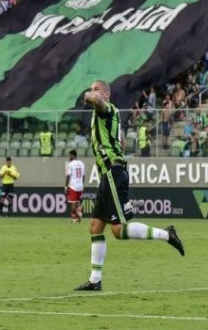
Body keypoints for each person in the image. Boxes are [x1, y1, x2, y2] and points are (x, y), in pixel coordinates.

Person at [75, 80, 184, 292]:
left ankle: (167, 234)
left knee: (118, 230)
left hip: (113, 174)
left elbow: (94, 100)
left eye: (96, 88)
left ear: (107, 94)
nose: (92, 91)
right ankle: (95, 280)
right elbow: (122, 142)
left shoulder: (105, 109)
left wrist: (89, 95)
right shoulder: (110, 116)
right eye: (91, 88)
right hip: (109, 175)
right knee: (96, 227)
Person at [65, 149, 85, 223]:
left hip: (73, 186)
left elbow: (68, 176)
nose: (69, 157)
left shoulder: (70, 164)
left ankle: (74, 219)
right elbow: (83, 176)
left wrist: (66, 186)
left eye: (69, 155)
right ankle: (79, 212)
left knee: (73, 203)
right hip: (80, 185)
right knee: (78, 202)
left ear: (73, 155)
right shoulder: (82, 163)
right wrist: (83, 185)